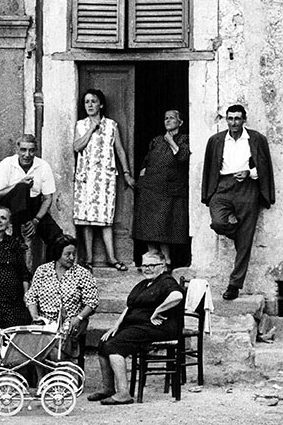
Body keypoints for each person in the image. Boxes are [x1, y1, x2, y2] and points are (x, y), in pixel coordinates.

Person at [89, 250, 183, 405]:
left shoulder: (166, 281)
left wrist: (157, 311)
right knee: (104, 342)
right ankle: (108, 389)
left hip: (158, 327)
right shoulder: (144, 284)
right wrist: (116, 326)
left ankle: (123, 394)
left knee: (114, 346)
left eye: (152, 265)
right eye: (144, 265)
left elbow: (177, 296)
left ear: (163, 266)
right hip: (138, 326)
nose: (147, 269)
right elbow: (130, 306)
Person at [201, 104, 275, 300]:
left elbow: (265, 167)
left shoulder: (256, 139)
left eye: (237, 118)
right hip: (223, 186)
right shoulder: (216, 140)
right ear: (226, 120)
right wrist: (209, 193)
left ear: (244, 120)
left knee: (245, 244)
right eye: (230, 118)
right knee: (218, 222)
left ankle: (234, 284)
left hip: (247, 187)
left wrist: (249, 172)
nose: (233, 122)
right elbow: (209, 168)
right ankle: (240, 233)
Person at [73, 88, 135, 272]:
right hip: (86, 177)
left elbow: (120, 151)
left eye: (93, 101)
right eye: (87, 102)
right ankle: (89, 259)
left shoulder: (111, 125)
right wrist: (91, 129)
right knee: (87, 219)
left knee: (105, 218)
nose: (90, 105)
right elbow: (77, 146)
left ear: (101, 104)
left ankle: (112, 257)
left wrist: (126, 173)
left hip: (105, 178)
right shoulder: (81, 125)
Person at [0, 134, 63, 268]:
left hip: (32, 208)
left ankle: (48, 274)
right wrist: (19, 184)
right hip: (8, 206)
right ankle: (17, 236)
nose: (27, 154)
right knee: (23, 187)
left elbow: (47, 198)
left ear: (35, 150)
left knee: (58, 239)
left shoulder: (43, 166)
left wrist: (36, 220)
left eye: (31, 150)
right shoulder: (7, 164)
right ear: (17, 149)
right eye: (23, 150)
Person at [132, 110, 190, 270]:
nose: (168, 120)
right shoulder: (156, 141)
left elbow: (183, 157)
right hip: (150, 190)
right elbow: (146, 162)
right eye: (165, 118)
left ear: (181, 122)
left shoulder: (185, 139)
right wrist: (142, 179)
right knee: (148, 227)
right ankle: (152, 261)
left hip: (170, 190)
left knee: (165, 226)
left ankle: (166, 262)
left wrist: (171, 140)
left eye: (172, 118)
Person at [26, 235, 99, 361]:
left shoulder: (82, 274)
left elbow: (92, 302)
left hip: (70, 323)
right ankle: (41, 379)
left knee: (52, 352)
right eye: (67, 254)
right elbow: (31, 297)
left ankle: (55, 374)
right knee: (30, 349)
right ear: (57, 254)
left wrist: (78, 318)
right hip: (45, 322)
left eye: (73, 254)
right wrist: (35, 316)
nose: (72, 258)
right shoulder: (43, 271)